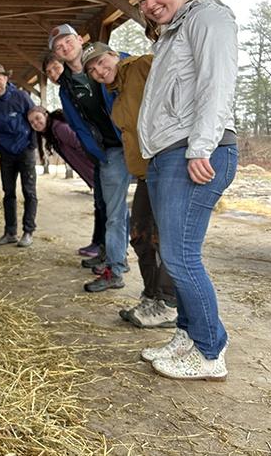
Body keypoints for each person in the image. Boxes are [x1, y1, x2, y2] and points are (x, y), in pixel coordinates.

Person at [132, 0, 238, 380]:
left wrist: (201, 147)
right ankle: (189, 336)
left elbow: (217, 82)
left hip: (193, 151)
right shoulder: (171, 33)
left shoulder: (208, 16)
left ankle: (211, 351)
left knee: (181, 256)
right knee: (173, 255)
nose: (150, 4)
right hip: (169, 153)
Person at [82, 42, 178, 329]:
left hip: (168, 164)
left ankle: (168, 304)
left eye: (101, 61)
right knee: (139, 234)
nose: (99, 70)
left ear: (114, 55)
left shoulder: (142, 65)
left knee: (165, 238)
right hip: (147, 173)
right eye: (92, 69)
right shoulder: (117, 93)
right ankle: (150, 296)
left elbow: (182, 88)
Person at [48, 24, 131, 292]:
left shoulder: (110, 60)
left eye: (68, 41)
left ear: (79, 40)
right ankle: (115, 268)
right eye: (58, 47)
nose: (64, 47)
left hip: (139, 142)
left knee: (149, 213)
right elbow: (77, 125)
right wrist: (96, 153)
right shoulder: (66, 88)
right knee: (113, 213)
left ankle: (154, 284)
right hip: (110, 150)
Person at [41, 54, 105, 259]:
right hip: (94, 164)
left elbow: (79, 138)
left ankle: (102, 248)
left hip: (98, 159)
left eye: (55, 68)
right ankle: (99, 246)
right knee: (100, 205)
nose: (52, 74)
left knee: (105, 207)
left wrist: (95, 156)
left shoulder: (59, 128)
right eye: (48, 72)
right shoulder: (64, 91)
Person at [0, 63, 37, 248]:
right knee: (8, 193)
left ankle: (28, 231)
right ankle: (10, 232)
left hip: (25, 151)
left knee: (29, 192)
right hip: (6, 154)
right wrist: (0, 148)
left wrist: (33, 146)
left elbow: (36, 120)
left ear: (6, 78)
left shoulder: (21, 97)